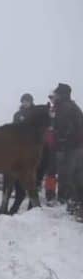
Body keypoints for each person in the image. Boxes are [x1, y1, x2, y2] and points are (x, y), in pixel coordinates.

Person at [52, 83, 83, 218]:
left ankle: (76, 204)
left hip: (72, 147)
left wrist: (62, 141)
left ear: (63, 94)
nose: (55, 95)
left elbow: (65, 128)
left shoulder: (66, 107)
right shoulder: (71, 106)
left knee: (71, 176)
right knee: (73, 175)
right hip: (75, 146)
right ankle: (74, 203)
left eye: (57, 93)